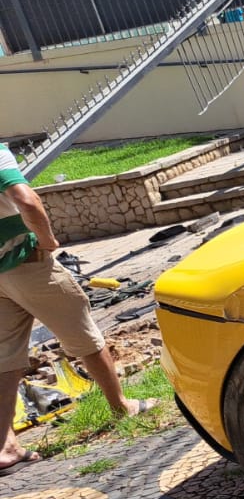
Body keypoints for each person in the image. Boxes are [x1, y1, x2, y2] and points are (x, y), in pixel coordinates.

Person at [0, 142, 157, 474]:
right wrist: (47, 240)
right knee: (84, 335)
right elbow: (26, 199)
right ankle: (122, 407)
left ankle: (6, 446)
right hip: (28, 263)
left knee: (6, 358)